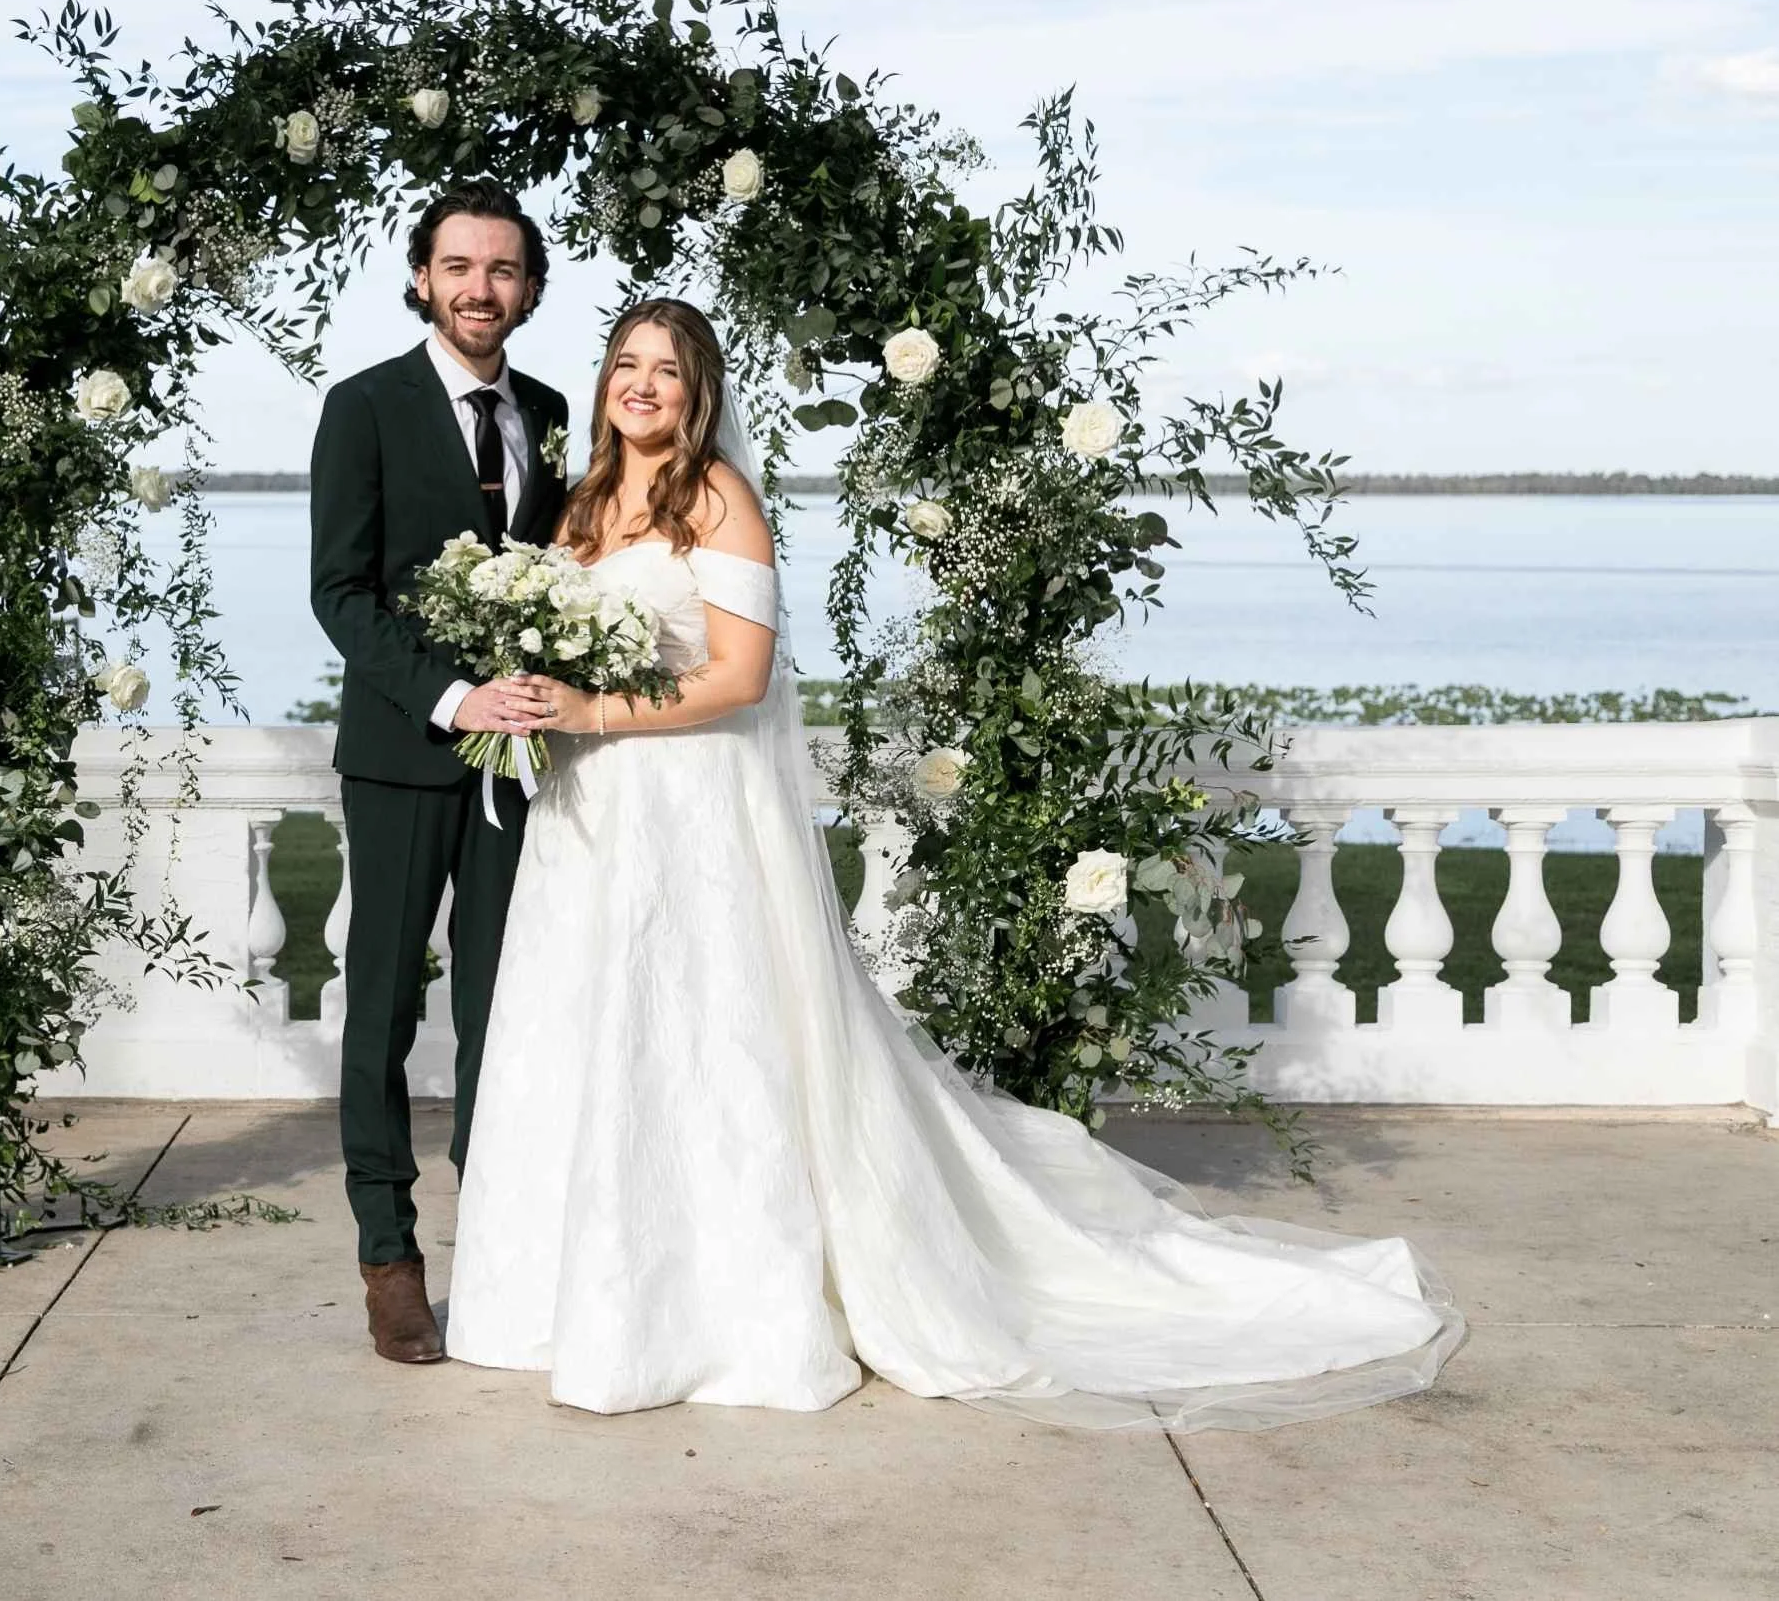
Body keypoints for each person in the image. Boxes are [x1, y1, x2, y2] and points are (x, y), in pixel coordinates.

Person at [442, 297, 1464, 1429]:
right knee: (583, 1030)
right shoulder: (581, 503)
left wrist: (589, 708)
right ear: (602, 382)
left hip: (684, 809)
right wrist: (533, 694)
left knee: (696, 1029)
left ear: (700, 394)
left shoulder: (720, 501)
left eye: (666, 372)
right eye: (625, 365)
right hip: (587, 815)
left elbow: (738, 678)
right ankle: (558, 1298)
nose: (641, 385)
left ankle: (708, 1308)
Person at [307, 180, 575, 1365]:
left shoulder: (557, 411)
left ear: (529, 287)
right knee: (384, 1007)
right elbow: (340, 593)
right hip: (403, 757)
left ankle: (503, 1241)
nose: (481, 288)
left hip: (525, 764)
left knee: (502, 1009)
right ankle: (388, 1256)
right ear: (421, 277)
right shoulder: (361, 407)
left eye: (504, 269)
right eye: (459, 266)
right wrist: (455, 694)